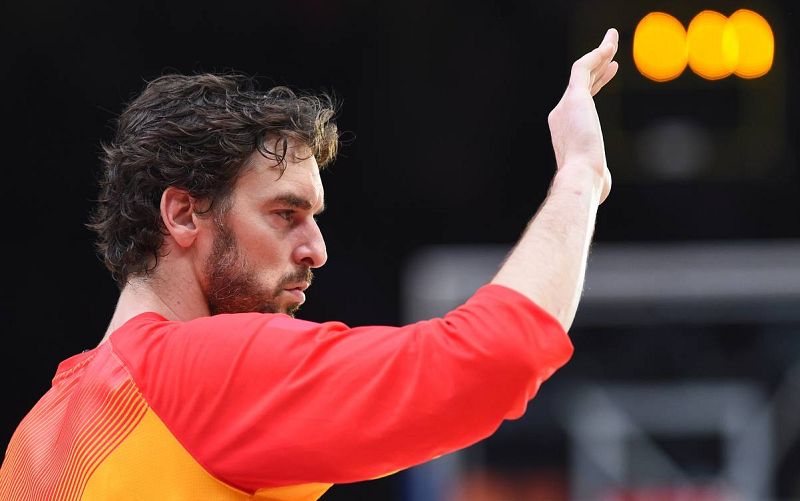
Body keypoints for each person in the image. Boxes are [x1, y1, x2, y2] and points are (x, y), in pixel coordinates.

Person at [0, 29, 619, 500]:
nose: (316, 250)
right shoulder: (197, 373)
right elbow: (495, 359)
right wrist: (579, 178)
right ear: (184, 216)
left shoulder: (32, 443)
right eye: (284, 214)